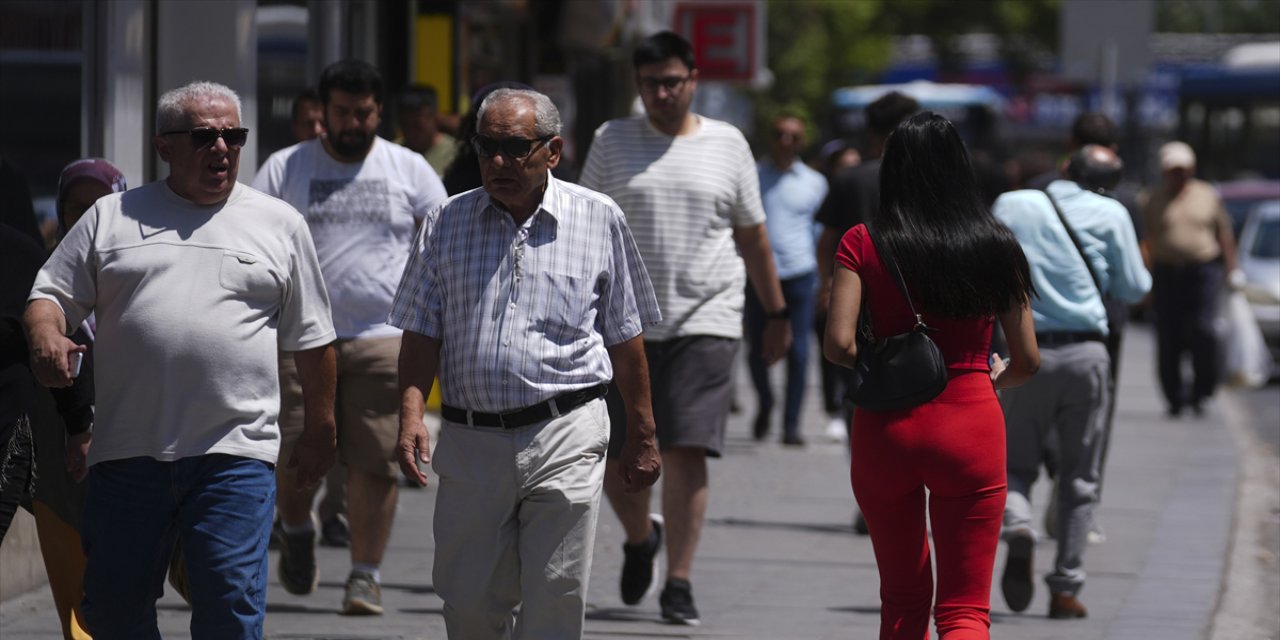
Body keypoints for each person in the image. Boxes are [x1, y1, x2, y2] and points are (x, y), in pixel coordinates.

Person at [24, 80, 337, 640]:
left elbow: (313, 340)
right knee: (114, 613)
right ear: (164, 146)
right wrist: (47, 337)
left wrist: (320, 427)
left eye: (233, 136)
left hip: (235, 455)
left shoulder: (279, 223)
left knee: (228, 608)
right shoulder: (111, 217)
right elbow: (49, 296)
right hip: (127, 454)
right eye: (203, 137)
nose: (222, 148)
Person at [390, 88, 662, 639]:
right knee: (468, 605)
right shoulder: (445, 222)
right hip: (471, 439)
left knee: (555, 597)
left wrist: (644, 432)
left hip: (567, 430)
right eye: (487, 146)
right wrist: (411, 416)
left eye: (515, 149)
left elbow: (625, 336)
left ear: (553, 151)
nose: (497, 162)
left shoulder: (598, 218)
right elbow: (420, 332)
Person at [578, 30, 791, 625]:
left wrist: (775, 313)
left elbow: (752, 236)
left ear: (693, 80)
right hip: (622, 324)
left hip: (709, 315)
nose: (663, 93)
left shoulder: (729, 144)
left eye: (673, 82)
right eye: (652, 84)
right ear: (638, 85)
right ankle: (642, 535)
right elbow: (584, 226)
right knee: (620, 454)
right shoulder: (612, 139)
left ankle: (678, 580)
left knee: (685, 447)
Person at [824, 112, 1040, 639]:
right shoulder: (995, 243)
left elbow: (838, 344)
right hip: (971, 424)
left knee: (901, 599)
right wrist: (996, 376)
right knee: (965, 609)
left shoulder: (862, 241)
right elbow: (1028, 358)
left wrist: (886, 363)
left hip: (885, 430)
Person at [252, 59, 446, 615]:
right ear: (323, 112)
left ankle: (366, 575)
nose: (353, 123)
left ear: (378, 112)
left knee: (377, 460)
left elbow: (444, 246)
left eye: (363, 113)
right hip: (300, 338)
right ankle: (296, 527)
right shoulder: (285, 168)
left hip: (383, 337)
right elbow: (254, 238)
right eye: (342, 112)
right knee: (295, 452)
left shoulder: (408, 169)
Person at [993, 143, 1151, 620]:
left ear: (1064, 169)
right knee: (1079, 477)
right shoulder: (1112, 212)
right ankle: (1065, 589)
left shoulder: (1013, 202)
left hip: (1026, 351)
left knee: (1013, 464)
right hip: (1087, 354)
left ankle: (1019, 526)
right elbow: (1135, 288)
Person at [20, 159, 127, 640]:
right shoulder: (41, 276)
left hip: (130, 444)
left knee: (124, 583)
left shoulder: (139, 268)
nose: (87, 216)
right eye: (76, 206)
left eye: (100, 204)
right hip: (60, 453)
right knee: (74, 586)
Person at [814, 90, 920, 535]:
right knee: (921, 395)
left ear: (871, 132)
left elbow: (829, 240)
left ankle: (873, 495)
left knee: (861, 399)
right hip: (918, 307)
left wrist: (829, 287)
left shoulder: (852, 179)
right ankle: (913, 490)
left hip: (860, 305)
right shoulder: (928, 179)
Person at [1140, 141, 1240, 417]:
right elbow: (1146, 240)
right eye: (1173, 170)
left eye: (1183, 170)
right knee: (1168, 335)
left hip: (1202, 271)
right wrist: (1144, 280)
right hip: (1166, 272)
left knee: (1204, 331)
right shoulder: (1152, 199)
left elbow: (1224, 234)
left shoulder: (1207, 195)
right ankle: (1174, 396)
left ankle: (1202, 392)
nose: (1178, 175)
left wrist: (1232, 270)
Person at [747, 112, 828, 446]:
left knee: (799, 353)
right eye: (780, 134)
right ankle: (765, 401)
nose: (786, 142)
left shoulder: (815, 182)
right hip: (758, 275)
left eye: (793, 136)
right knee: (756, 349)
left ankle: (791, 424)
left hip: (799, 273)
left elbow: (823, 233)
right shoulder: (751, 176)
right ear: (772, 138)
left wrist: (826, 279)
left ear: (802, 141)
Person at [441, 81, 532, 196]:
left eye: (516, 145)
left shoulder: (557, 184)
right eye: (488, 144)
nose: (498, 161)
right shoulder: (460, 181)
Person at [397, 83, 460, 176]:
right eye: (405, 125)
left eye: (418, 126)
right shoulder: (393, 152)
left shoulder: (455, 154)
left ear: (434, 117)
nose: (411, 133)